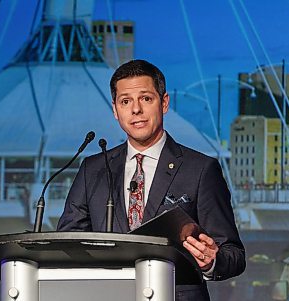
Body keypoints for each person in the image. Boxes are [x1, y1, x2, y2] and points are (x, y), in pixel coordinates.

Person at [57, 59, 245, 300]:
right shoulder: (93, 169)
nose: (136, 110)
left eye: (146, 99)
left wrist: (211, 261)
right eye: (126, 101)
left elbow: (234, 255)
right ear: (115, 110)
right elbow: (68, 245)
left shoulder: (200, 169)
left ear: (164, 102)